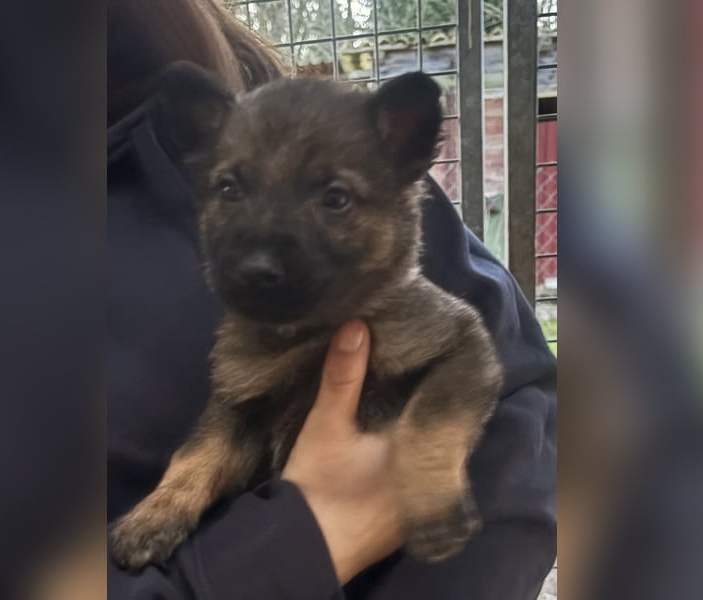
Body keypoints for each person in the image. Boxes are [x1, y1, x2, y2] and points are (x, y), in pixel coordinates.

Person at [107, 0, 557, 598]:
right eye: (232, 190)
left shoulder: (407, 305)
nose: (263, 249)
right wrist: (182, 498)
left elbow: (482, 365)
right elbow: (233, 426)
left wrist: (429, 463)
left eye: (334, 200)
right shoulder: (246, 343)